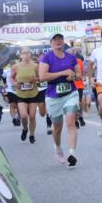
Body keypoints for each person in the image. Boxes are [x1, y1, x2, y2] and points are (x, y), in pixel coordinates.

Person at [38, 33, 81, 167]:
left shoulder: (71, 57)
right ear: (50, 43)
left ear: (63, 42)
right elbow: (42, 77)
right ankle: (57, 147)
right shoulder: (47, 58)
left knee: (70, 122)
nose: (58, 42)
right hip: (53, 96)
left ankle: (72, 153)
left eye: (60, 39)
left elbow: (79, 75)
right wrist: (62, 73)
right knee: (57, 127)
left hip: (70, 93)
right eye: (55, 40)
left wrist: (73, 77)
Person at [11, 48, 43, 143]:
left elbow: (41, 78)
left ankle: (32, 135)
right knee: (24, 116)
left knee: (32, 116)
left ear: (30, 54)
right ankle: (25, 129)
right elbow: (11, 78)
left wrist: (36, 79)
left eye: (27, 53)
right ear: (20, 55)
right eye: (23, 53)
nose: (25, 55)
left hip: (33, 94)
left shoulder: (36, 66)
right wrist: (14, 84)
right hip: (21, 94)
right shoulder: (16, 66)